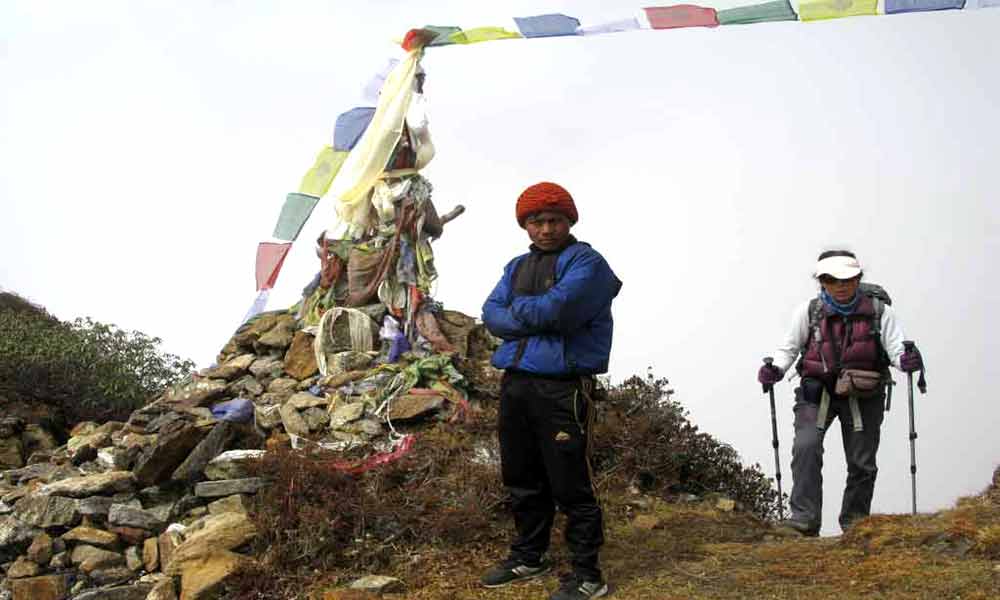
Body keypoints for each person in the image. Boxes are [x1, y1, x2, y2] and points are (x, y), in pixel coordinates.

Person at [481, 182, 622, 600]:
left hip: (563, 386)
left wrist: (519, 313)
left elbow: (560, 311)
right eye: (536, 222)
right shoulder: (515, 267)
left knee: (570, 480)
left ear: (569, 221)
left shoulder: (588, 263)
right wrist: (534, 312)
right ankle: (529, 555)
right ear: (525, 226)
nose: (545, 229)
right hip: (517, 383)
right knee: (521, 475)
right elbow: (491, 314)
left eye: (554, 220)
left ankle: (587, 574)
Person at [757, 250, 924, 536]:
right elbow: (789, 348)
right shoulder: (808, 312)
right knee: (806, 448)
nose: (841, 285)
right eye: (832, 279)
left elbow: (896, 349)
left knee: (862, 461)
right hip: (817, 390)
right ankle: (803, 521)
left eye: (847, 278)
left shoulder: (881, 312)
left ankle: (854, 524)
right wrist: (777, 369)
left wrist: (905, 360)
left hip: (864, 392)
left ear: (858, 277)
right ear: (822, 281)